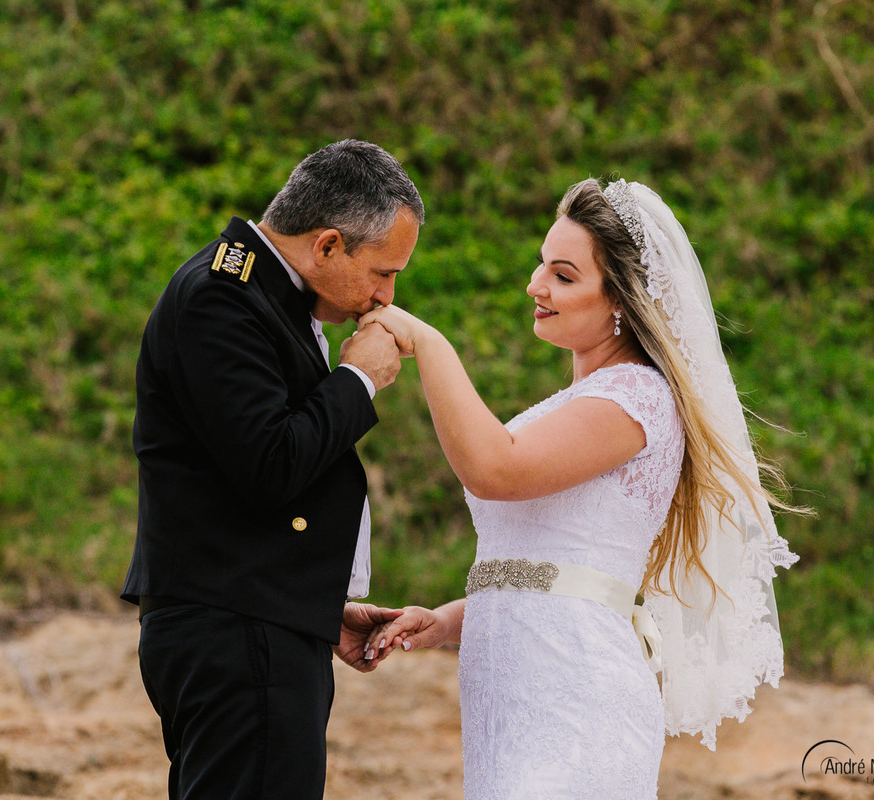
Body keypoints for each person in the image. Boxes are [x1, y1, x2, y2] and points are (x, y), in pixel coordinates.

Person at [358, 177, 801, 798]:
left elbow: (495, 470)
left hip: (578, 699)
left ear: (620, 298)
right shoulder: (572, 405)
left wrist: (427, 343)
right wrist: (450, 620)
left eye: (564, 276)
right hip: (513, 702)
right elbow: (554, 567)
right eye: (543, 266)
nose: (537, 286)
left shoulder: (639, 398)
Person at [121, 139, 424, 800]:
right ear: (327, 246)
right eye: (384, 271)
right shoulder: (221, 299)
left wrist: (315, 605)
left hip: (255, 622)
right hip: (234, 633)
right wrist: (356, 380)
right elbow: (269, 463)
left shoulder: (261, 295)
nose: (385, 296)